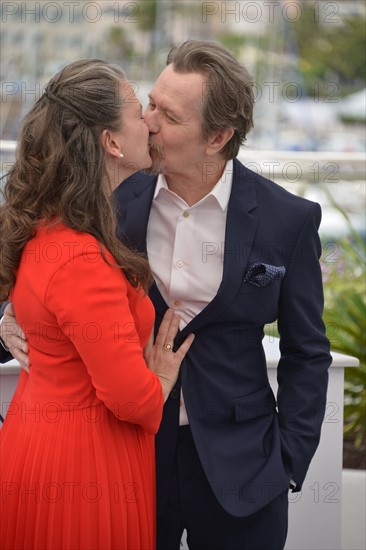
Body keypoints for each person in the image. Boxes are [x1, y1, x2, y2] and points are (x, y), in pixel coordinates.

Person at [1, 41, 332, 550]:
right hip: (125, 463)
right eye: (150, 103)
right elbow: (37, 253)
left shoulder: (286, 219)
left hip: (243, 472)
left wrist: (290, 459)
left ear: (217, 136)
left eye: (168, 115)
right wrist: (8, 314)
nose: (150, 122)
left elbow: (307, 351)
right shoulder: (106, 195)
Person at [0, 59, 194, 550]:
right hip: (84, 469)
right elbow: (132, 398)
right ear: (110, 141)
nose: (149, 121)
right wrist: (162, 380)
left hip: (39, 444)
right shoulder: (82, 258)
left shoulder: (45, 225)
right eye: (137, 110)